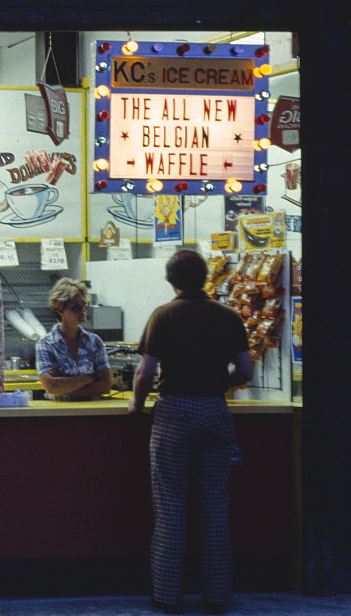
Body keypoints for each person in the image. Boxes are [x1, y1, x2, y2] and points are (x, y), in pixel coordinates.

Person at [128, 249, 253, 615]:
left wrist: (136, 404)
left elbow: (145, 374)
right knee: (215, 505)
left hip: (174, 413)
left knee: (171, 506)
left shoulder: (163, 316)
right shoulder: (228, 316)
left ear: (171, 280)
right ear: (205, 279)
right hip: (215, 411)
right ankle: (217, 596)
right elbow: (245, 371)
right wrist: (217, 384)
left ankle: (168, 595)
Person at [35, 277, 111, 400]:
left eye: (84, 306)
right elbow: (51, 385)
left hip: (91, 413)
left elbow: (105, 386)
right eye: (75, 308)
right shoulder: (46, 344)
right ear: (60, 310)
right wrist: (89, 378)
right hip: (59, 414)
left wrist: (65, 386)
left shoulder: (95, 342)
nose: (82, 311)